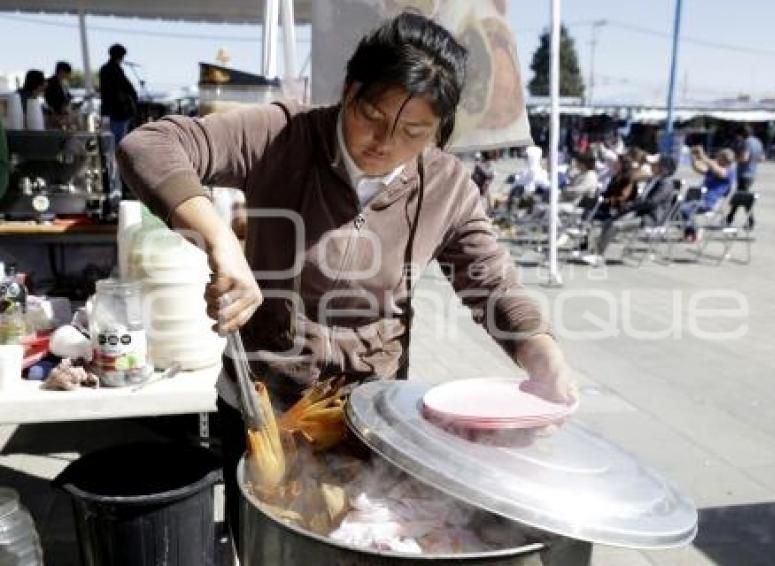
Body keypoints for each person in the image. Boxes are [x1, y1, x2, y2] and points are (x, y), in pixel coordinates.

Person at [117, 12, 578, 543]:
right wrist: (218, 239)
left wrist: (537, 348)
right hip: (268, 409)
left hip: (373, 420)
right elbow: (148, 146)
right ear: (349, 90)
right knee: (269, 545)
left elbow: (491, 282)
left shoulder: (447, 186)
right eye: (371, 115)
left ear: (440, 130)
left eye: (413, 132)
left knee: (363, 540)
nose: (384, 143)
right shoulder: (283, 134)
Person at [584, 154, 679, 265]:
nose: (651, 166)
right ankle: (594, 251)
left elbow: (652, 202)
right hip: (640, 212)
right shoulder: (654, 179)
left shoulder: (666, 184)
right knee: (608, 221)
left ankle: (598, 255)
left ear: (663, 168)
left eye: (655, 164)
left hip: (650, 218)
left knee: (616, 225)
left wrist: (631, 206)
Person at [680, 146, 736, 241]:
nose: (716, 158)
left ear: (725, 160)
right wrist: (693, 159)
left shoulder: (729, 171)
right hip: (699, 198)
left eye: (719, 157)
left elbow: (719, 171)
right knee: (676, 207)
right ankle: (690, 232)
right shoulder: (714, 169)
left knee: (684, 209)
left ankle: (694, 230)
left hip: (709, 202)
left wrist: (703, 156)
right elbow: (699, 169)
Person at [99, 44, 138, 144]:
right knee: (118, 142)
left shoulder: (103, 69)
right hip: (118, 113)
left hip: (106, 111)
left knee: (106, 141)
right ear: (121, 56)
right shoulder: (117, 70)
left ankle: (108, 159)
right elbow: (128, 89)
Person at [726, 125, 763, 228]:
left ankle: (750, 221)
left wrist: (734, 160)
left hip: (744, 173)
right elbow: (761, 158)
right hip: (752, 173)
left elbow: (744, 158)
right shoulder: (758, 142)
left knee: (743, 198)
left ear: (742, 134)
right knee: (740, 197)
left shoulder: (747, 142)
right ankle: (729, 217)